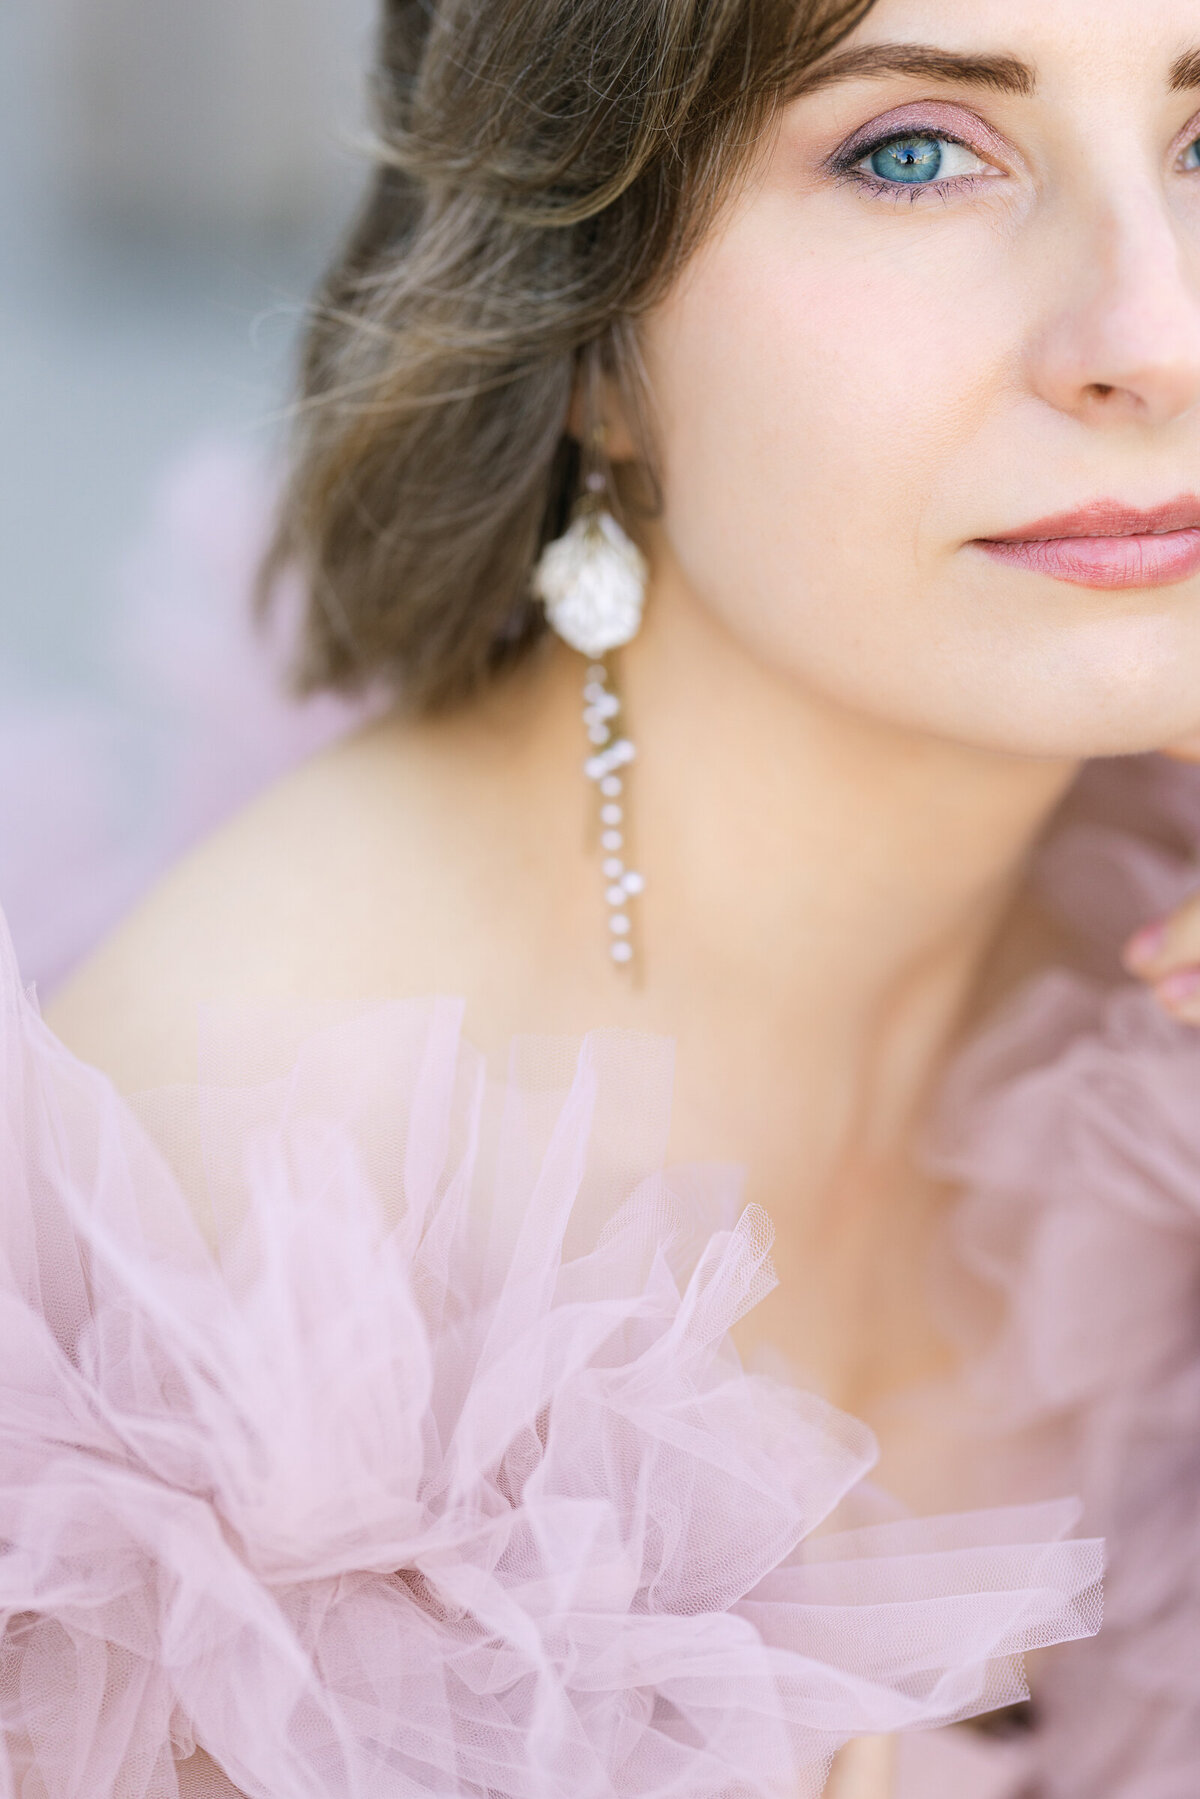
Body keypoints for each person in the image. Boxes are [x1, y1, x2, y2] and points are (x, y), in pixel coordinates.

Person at [5, 0, 1200, 1793]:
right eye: (913, 153)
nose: (1156, 336)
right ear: (590, 344)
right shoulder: (259, 1245)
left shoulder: (1144, 869)